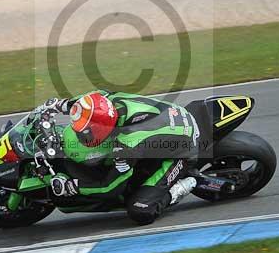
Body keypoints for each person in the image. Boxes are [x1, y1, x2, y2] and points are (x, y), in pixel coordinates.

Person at [33, 91, 201, 224]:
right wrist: (58, 105)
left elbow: (109, 187)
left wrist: (73, 186)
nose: (82, 136)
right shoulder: (107, 100)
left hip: (183, 152)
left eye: (86, 133)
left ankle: (179, 188)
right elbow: (86, 103)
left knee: (140, 210)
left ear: (99, 129)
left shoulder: (126, 145)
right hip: (173, 118)